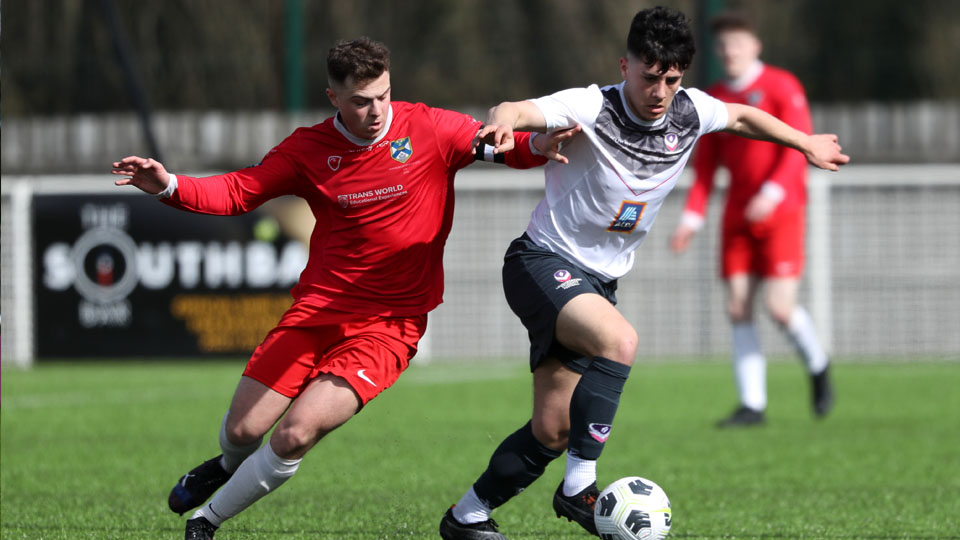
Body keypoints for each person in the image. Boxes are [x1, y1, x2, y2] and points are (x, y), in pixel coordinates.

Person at [111, 38, 576, 540]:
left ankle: (207, 521)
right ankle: (225, 465)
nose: (376, 111)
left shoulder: (429, 126)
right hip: (319, 310)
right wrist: (169, 185)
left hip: (390, 326)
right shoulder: (308, 150)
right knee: (245, 431)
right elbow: (239, 191)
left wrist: (536, 147)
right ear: (334, 98)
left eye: (383, 95)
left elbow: (497, 146)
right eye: (360, 100)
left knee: (294, 434)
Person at [439, 6, 848, 539]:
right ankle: (578, 489)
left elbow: (743, 118)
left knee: (553, 430)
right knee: (621, 341)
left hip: (598, 282)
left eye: (671, 79)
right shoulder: (591, 105)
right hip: (541, 261)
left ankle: (466, 517)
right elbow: (517, 108)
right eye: (649, 76)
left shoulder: (690, 112)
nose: (659, 90)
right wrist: (503, 122)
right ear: (625, 64)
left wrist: (805, 142)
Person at [670, 12, 834, 427]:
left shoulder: (782, 86)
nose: (730, 51)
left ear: (755, 46)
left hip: (782, 212)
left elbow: (799, 146)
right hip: (736, 217)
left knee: (780, 308)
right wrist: (692, 218)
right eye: (723, 45)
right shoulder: (715, 97)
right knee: (738, 306)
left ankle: (817, 364)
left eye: (737, 43)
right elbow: (705, 168)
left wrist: (772, 193)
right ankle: (752, 404)